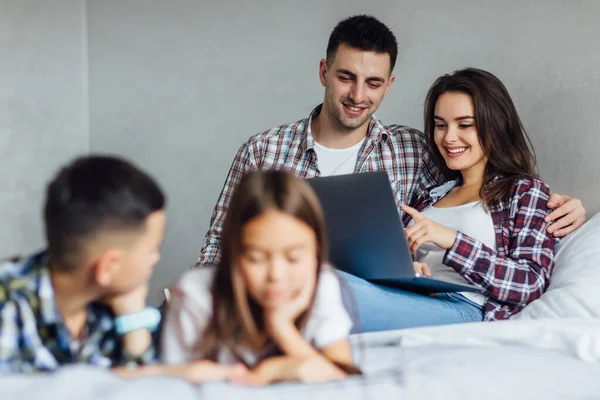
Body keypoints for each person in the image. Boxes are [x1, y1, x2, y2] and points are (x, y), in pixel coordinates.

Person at [195, 15, 585, 271]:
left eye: (374, 82)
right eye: (346, 77)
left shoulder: (411, 150)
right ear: (323, 72)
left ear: (389, 85)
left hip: (369, 299)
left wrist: (561, 205)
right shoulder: (263, 151)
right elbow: (216, 249)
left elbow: (478, 185)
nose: (358, 95)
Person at [341, 67, 556, 330]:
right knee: (326, 279)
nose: (449, 137)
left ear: (495, 126)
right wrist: (410, 272)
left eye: (464, 124)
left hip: (466, 306)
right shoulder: (430, 196)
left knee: (333, 291)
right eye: (440, 125)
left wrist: (452, 240)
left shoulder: (524, 191)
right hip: (414, 298)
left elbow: (530, 283)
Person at [162, 170, 357, 385]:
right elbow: (171, 384)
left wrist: (281, 328)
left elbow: (344, 380)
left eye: (293, 258)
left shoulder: (321, 283)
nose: (276, 275)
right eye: (256, 258)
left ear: (317, 253)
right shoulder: (196, 294)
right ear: (233, 254)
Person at [0, 155, 165, 373]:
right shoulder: (10, 304)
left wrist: (133, 318)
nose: (156, 258)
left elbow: (142, 390)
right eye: (152, 250)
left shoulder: (109, 305)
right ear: (108, 267)